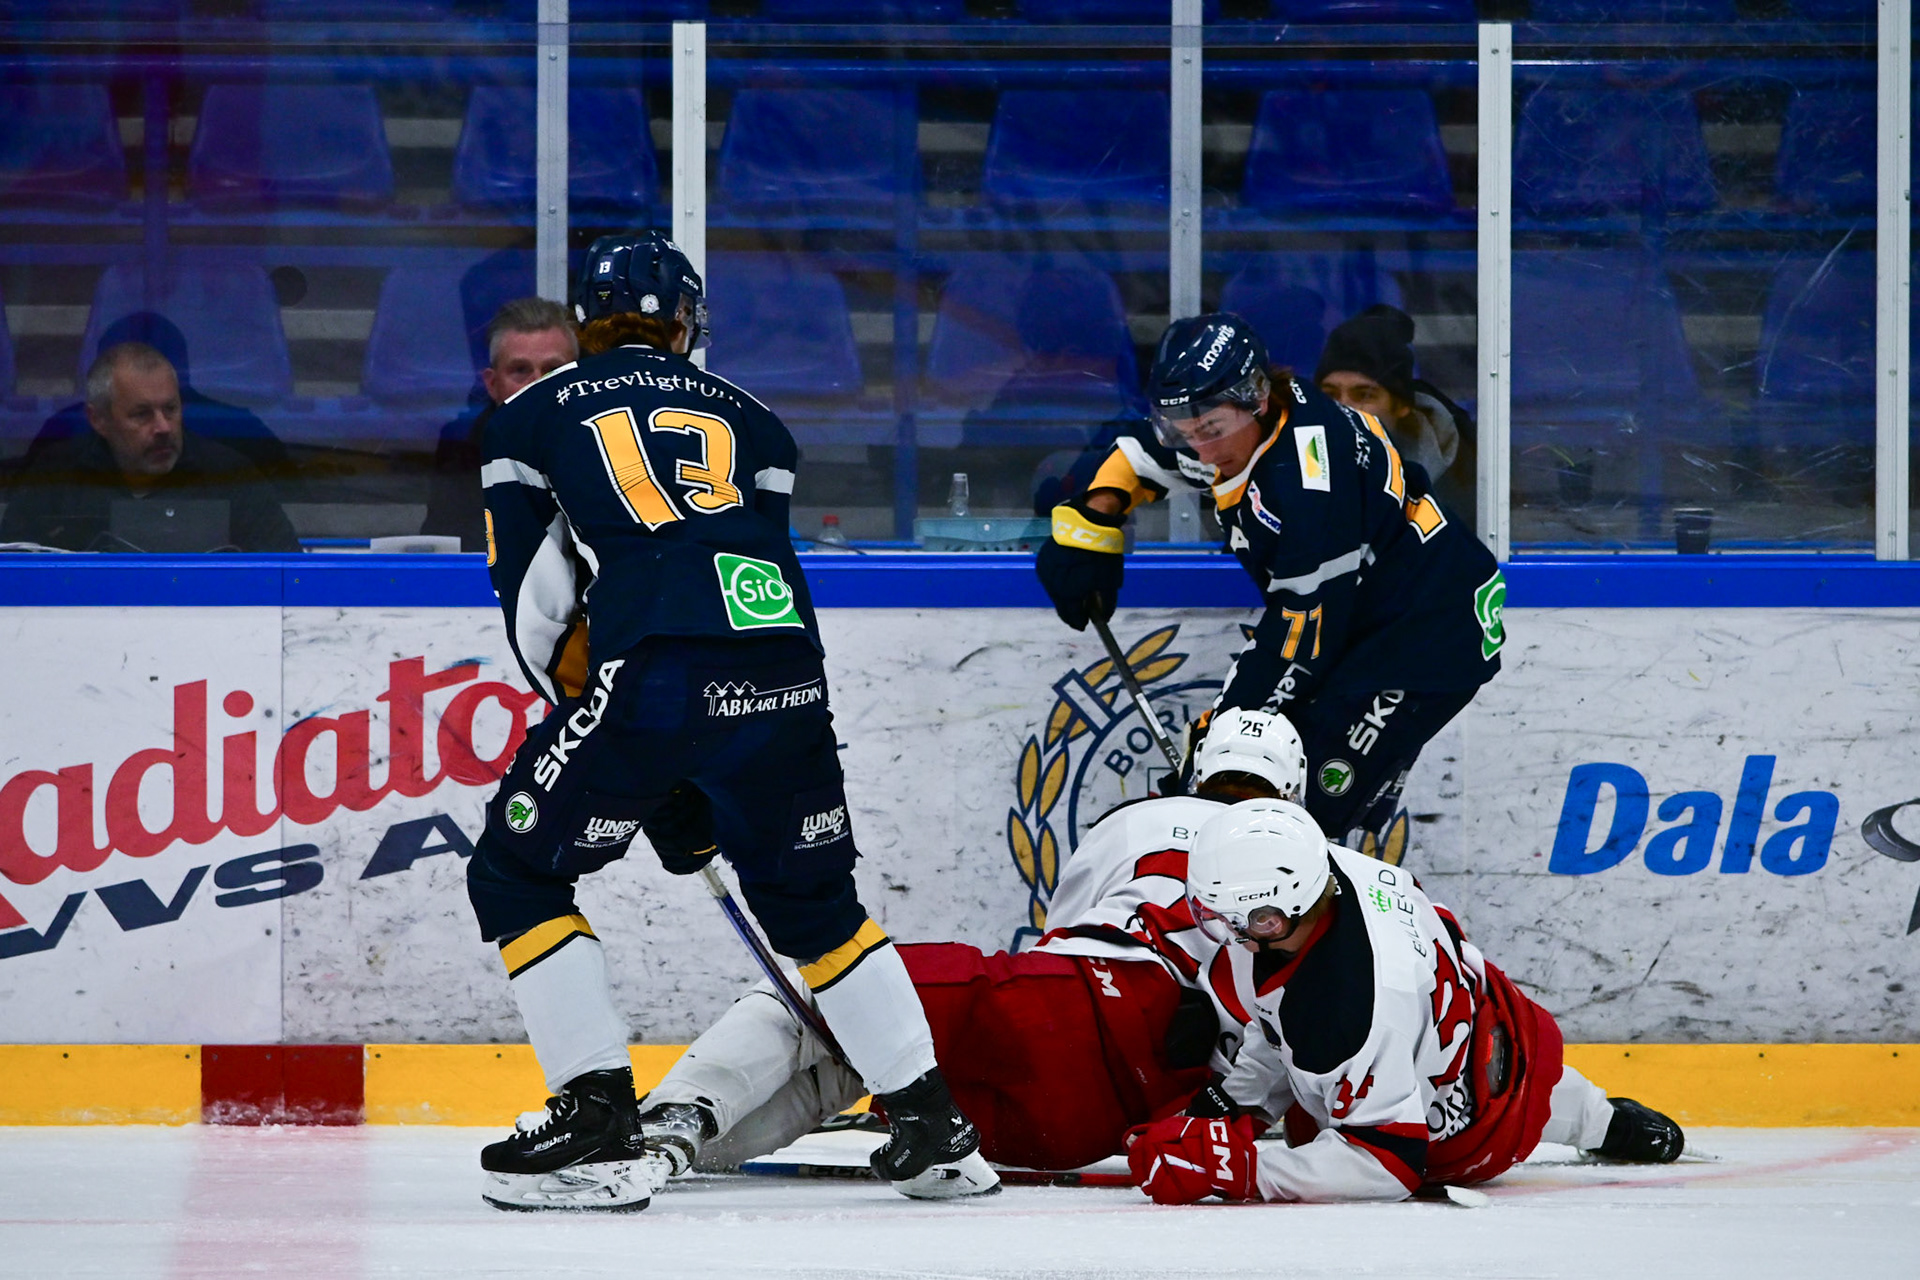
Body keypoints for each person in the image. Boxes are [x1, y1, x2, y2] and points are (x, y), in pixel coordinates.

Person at [468, 229, 992, 1212]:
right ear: (686, 323)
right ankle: (934, 1130)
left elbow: (542, 611)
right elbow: (747, 563)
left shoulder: (526, 417)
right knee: (816, 906)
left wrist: (642, 757)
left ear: (586, 321)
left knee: (514, 870)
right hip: (785, 670)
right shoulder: (759, 421)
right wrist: (687, 766)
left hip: (656, 672)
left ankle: (594, 1115)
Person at [630, 708, 1309, 1185]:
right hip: (1104, 1127)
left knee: (835, 993)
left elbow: (1063, 944)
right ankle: (672, 1146)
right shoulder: (1314, 878)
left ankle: (663, 1125)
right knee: (869, 1058)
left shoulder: (1144, 818)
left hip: (1078, 1010)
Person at [1034, 312, 1505, 858]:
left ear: (1256, 397)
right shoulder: (1247, 416)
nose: (1200, 449)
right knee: (1259, 782)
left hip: (1427, 635)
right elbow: (1142, 453)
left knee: (1299, 804)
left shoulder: (1307, 490)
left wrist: (1226, 729)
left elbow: (1301, 639)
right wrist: (1094, 519)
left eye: (1211, 431)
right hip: (1362, 609)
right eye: (1183, 428)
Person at [1124, 798, 1685, 1206]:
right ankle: (1606, 1123)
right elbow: (1278, 1027)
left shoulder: (1342, 1013)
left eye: (1241, 921)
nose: (1228, 935)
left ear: (1276, 914)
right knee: (1571, 1102)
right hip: (1488, 1017)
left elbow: (1388, 1163)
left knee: (1323, 1133)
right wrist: (1224, 1110)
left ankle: (1603, 1123)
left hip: (1464, 1131)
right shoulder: (1333, 868)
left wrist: (1243, 1170)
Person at [0, 342, 300, 553]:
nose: (163, 427)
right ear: (99, 419)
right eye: (142, 414)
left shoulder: (231, 475)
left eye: (170, 409)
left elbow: (289, 578)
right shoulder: (55, 477)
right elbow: (10, 576)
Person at [419, 297, 578, 552]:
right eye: (520, 370)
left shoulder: (610, 444)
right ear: (492, 384)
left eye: (553, 369)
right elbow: (453, 552)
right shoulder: (463, 452)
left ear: (580, 378)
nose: (538, 383)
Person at [1316, 304, 1477, 536]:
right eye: (1330, 394)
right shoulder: (1295, 457)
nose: (1343, 408)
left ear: (1402, 406)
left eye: (1364, 395)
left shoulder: (1458, 478)